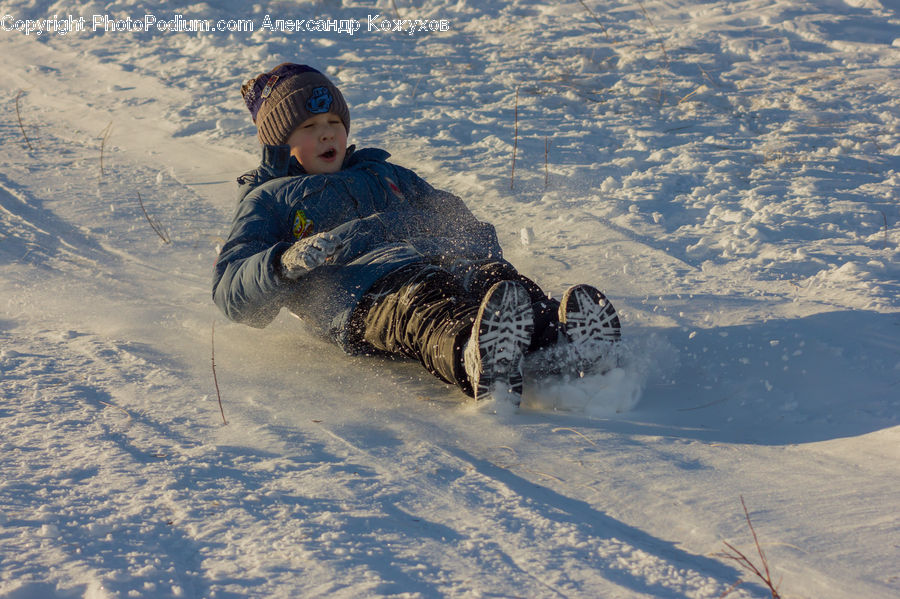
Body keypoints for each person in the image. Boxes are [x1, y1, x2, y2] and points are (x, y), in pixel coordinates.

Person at [212, 63, 621, 406]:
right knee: (424, 301)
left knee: (491, 280)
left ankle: (560, 341)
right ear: (279, 144)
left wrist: (474, 247)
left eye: (334, 122)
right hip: (362, 294)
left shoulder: (382, 173)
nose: (327, 134)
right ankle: (472, 355)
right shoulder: (269, 199)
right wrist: (284, 263)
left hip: (434, 259)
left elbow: (448, 212)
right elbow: (232, 291)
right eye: (309, 126)